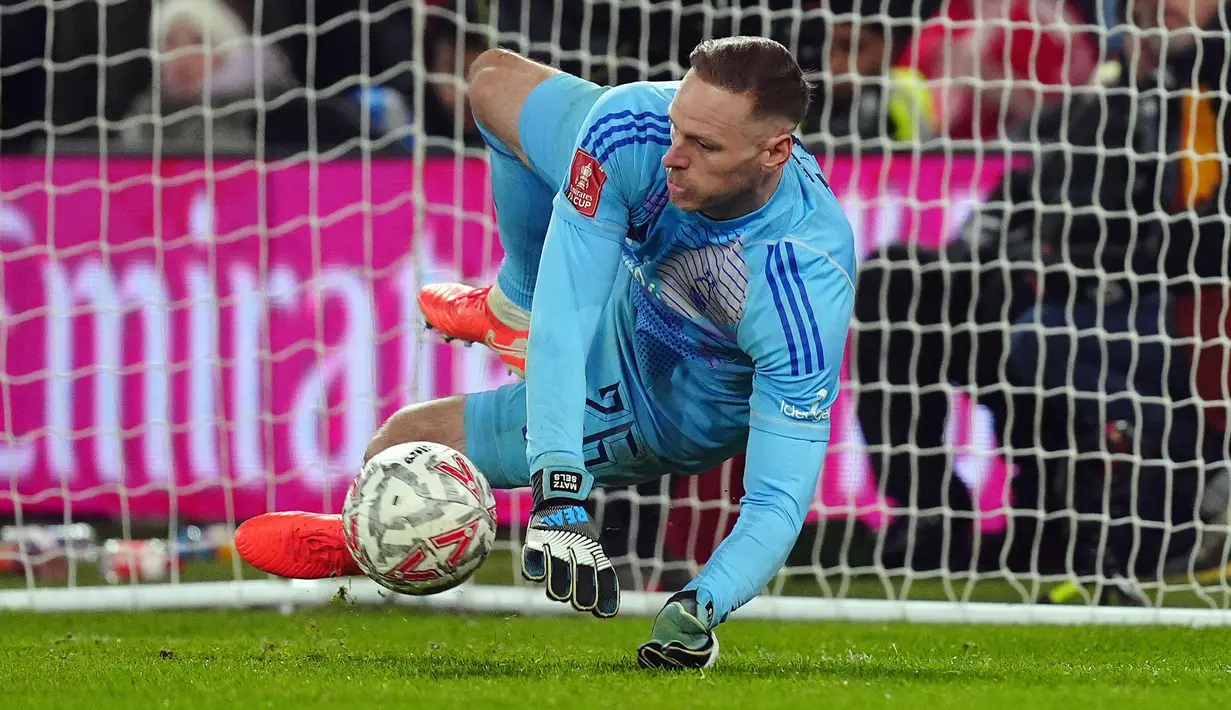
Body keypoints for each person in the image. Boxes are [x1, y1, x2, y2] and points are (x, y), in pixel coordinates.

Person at [238, 36, 856, 670]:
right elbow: (564, 320)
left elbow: (777, 500)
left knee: (401, 446)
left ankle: (365, 541)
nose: (675, 155)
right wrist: (560, 489)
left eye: (704, 145)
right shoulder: (636, 132)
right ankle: (513, 306)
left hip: (659, 408)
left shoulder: (803, 282)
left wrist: (701, 604)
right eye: (679, 124)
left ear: (774, 152)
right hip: (621, 297)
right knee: (494, 83)